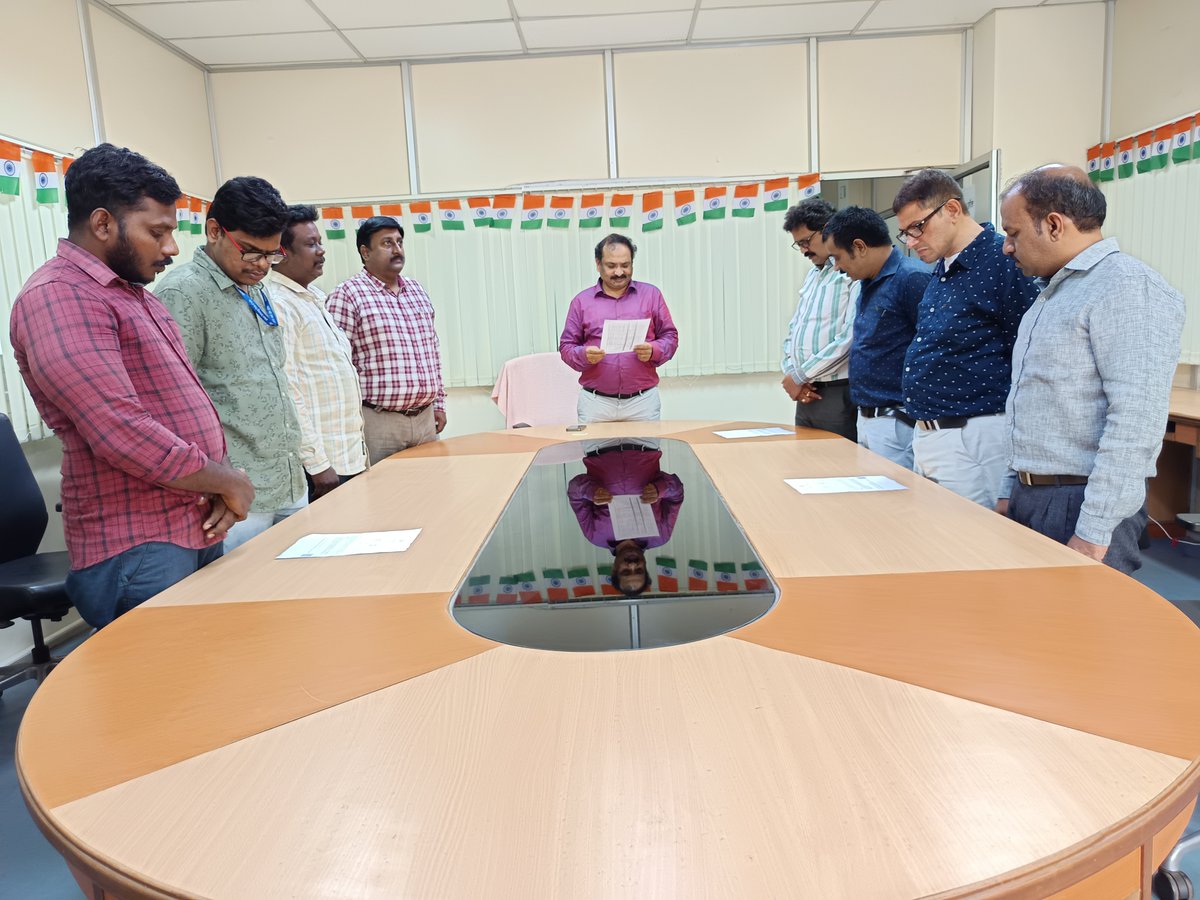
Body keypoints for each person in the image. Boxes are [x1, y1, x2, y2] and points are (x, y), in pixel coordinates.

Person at [9, 144, 254, 628]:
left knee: (209, 681)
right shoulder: (60, 297)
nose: (171, 248)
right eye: (157, 232)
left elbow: (180, 407)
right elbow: (121, 430)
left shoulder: (131, 296)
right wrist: (227, 481)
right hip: (138, 544)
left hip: (188, 523)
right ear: (103, 224)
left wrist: (220, 486)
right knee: (166, 694)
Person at [998, 165, 1184, 574]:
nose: (1007, 247)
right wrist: (1009, 489)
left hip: (1081, 502)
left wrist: (1094, 530)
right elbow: (1030, 403)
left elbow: (1134, 424)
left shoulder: (1127, 288)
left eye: (1013, 234)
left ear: (1053, 225)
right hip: (1035, 494)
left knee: (1081, 630)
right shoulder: (1054, 293)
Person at [156, 176, 307, 551]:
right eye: (252, 252)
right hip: (236, 493)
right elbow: (172, 404)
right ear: (213, 231)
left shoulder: (254, 285)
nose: (263, 266)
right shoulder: (183, 294)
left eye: (272, 255)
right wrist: (216, 482)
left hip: (286, 478)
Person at [892, 169, 1040, 507]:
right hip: (931, 433)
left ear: (953, 210)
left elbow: (1028, 356)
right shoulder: (943, 268)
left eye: (918, 228)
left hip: (975, 433)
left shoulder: (1002, 262)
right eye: (905, 234)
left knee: (974, 547)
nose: (912, 243)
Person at [267, 205, 367, 501]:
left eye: (320, 242)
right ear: (280, 252)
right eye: (311, 244)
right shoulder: (279, 304)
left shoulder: (314, 298)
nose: (321, 251)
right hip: (322, 468)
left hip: (346, 457)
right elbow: (288, 390)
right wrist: (318, 464)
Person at [327, 216, 446, 463]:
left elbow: (432, 351)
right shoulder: (347, 295)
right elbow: (336, 367)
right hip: (379, 422)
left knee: (432, 494)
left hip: (425, 420)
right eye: (387, 243)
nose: (397, 249)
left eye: (400, 242)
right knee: (384, 498)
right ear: (365, 252)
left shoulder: (417, 290)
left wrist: (439, 403)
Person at [822, 206, 930, 468]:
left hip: (896, 421)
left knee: (896, 505)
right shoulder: (868, 283)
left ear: (859, 247)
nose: (836, 268)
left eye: (837, 258)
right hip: (868, 417)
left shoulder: (911, 278)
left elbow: (930, 349)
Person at [559, 234, 679, 423]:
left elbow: (670, 337)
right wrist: (584, 354)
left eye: (625, 265)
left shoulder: (651, 295)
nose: (619, 272)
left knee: (647, 453)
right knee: (593, 453)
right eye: (611, 266)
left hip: (642, 402)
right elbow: (566, 347)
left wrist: (654, 350)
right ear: (598, 264)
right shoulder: (581, 302)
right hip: (595, 403)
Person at [779, 200, 857, 439]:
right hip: (806, 391)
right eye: (798, 244)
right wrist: (792, 373)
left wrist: (800, 377)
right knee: (805, 467)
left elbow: (849, 337)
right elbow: (795, 329)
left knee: (837, 469)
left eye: (805, 241)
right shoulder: (813, 275)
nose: (803, 250)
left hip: (836, 391)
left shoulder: (850, 272)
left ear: (827, 230)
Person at [566, 441, 684, 595]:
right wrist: (659, 489)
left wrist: (591, 492)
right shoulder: (661, 536)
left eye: (626, 572)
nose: (633, 565)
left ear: (614, 570)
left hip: (598, 446)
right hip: (644, 442)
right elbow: (677, 493)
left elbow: (574, 491)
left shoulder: (595, 536)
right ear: (646, 567)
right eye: (639, 570)